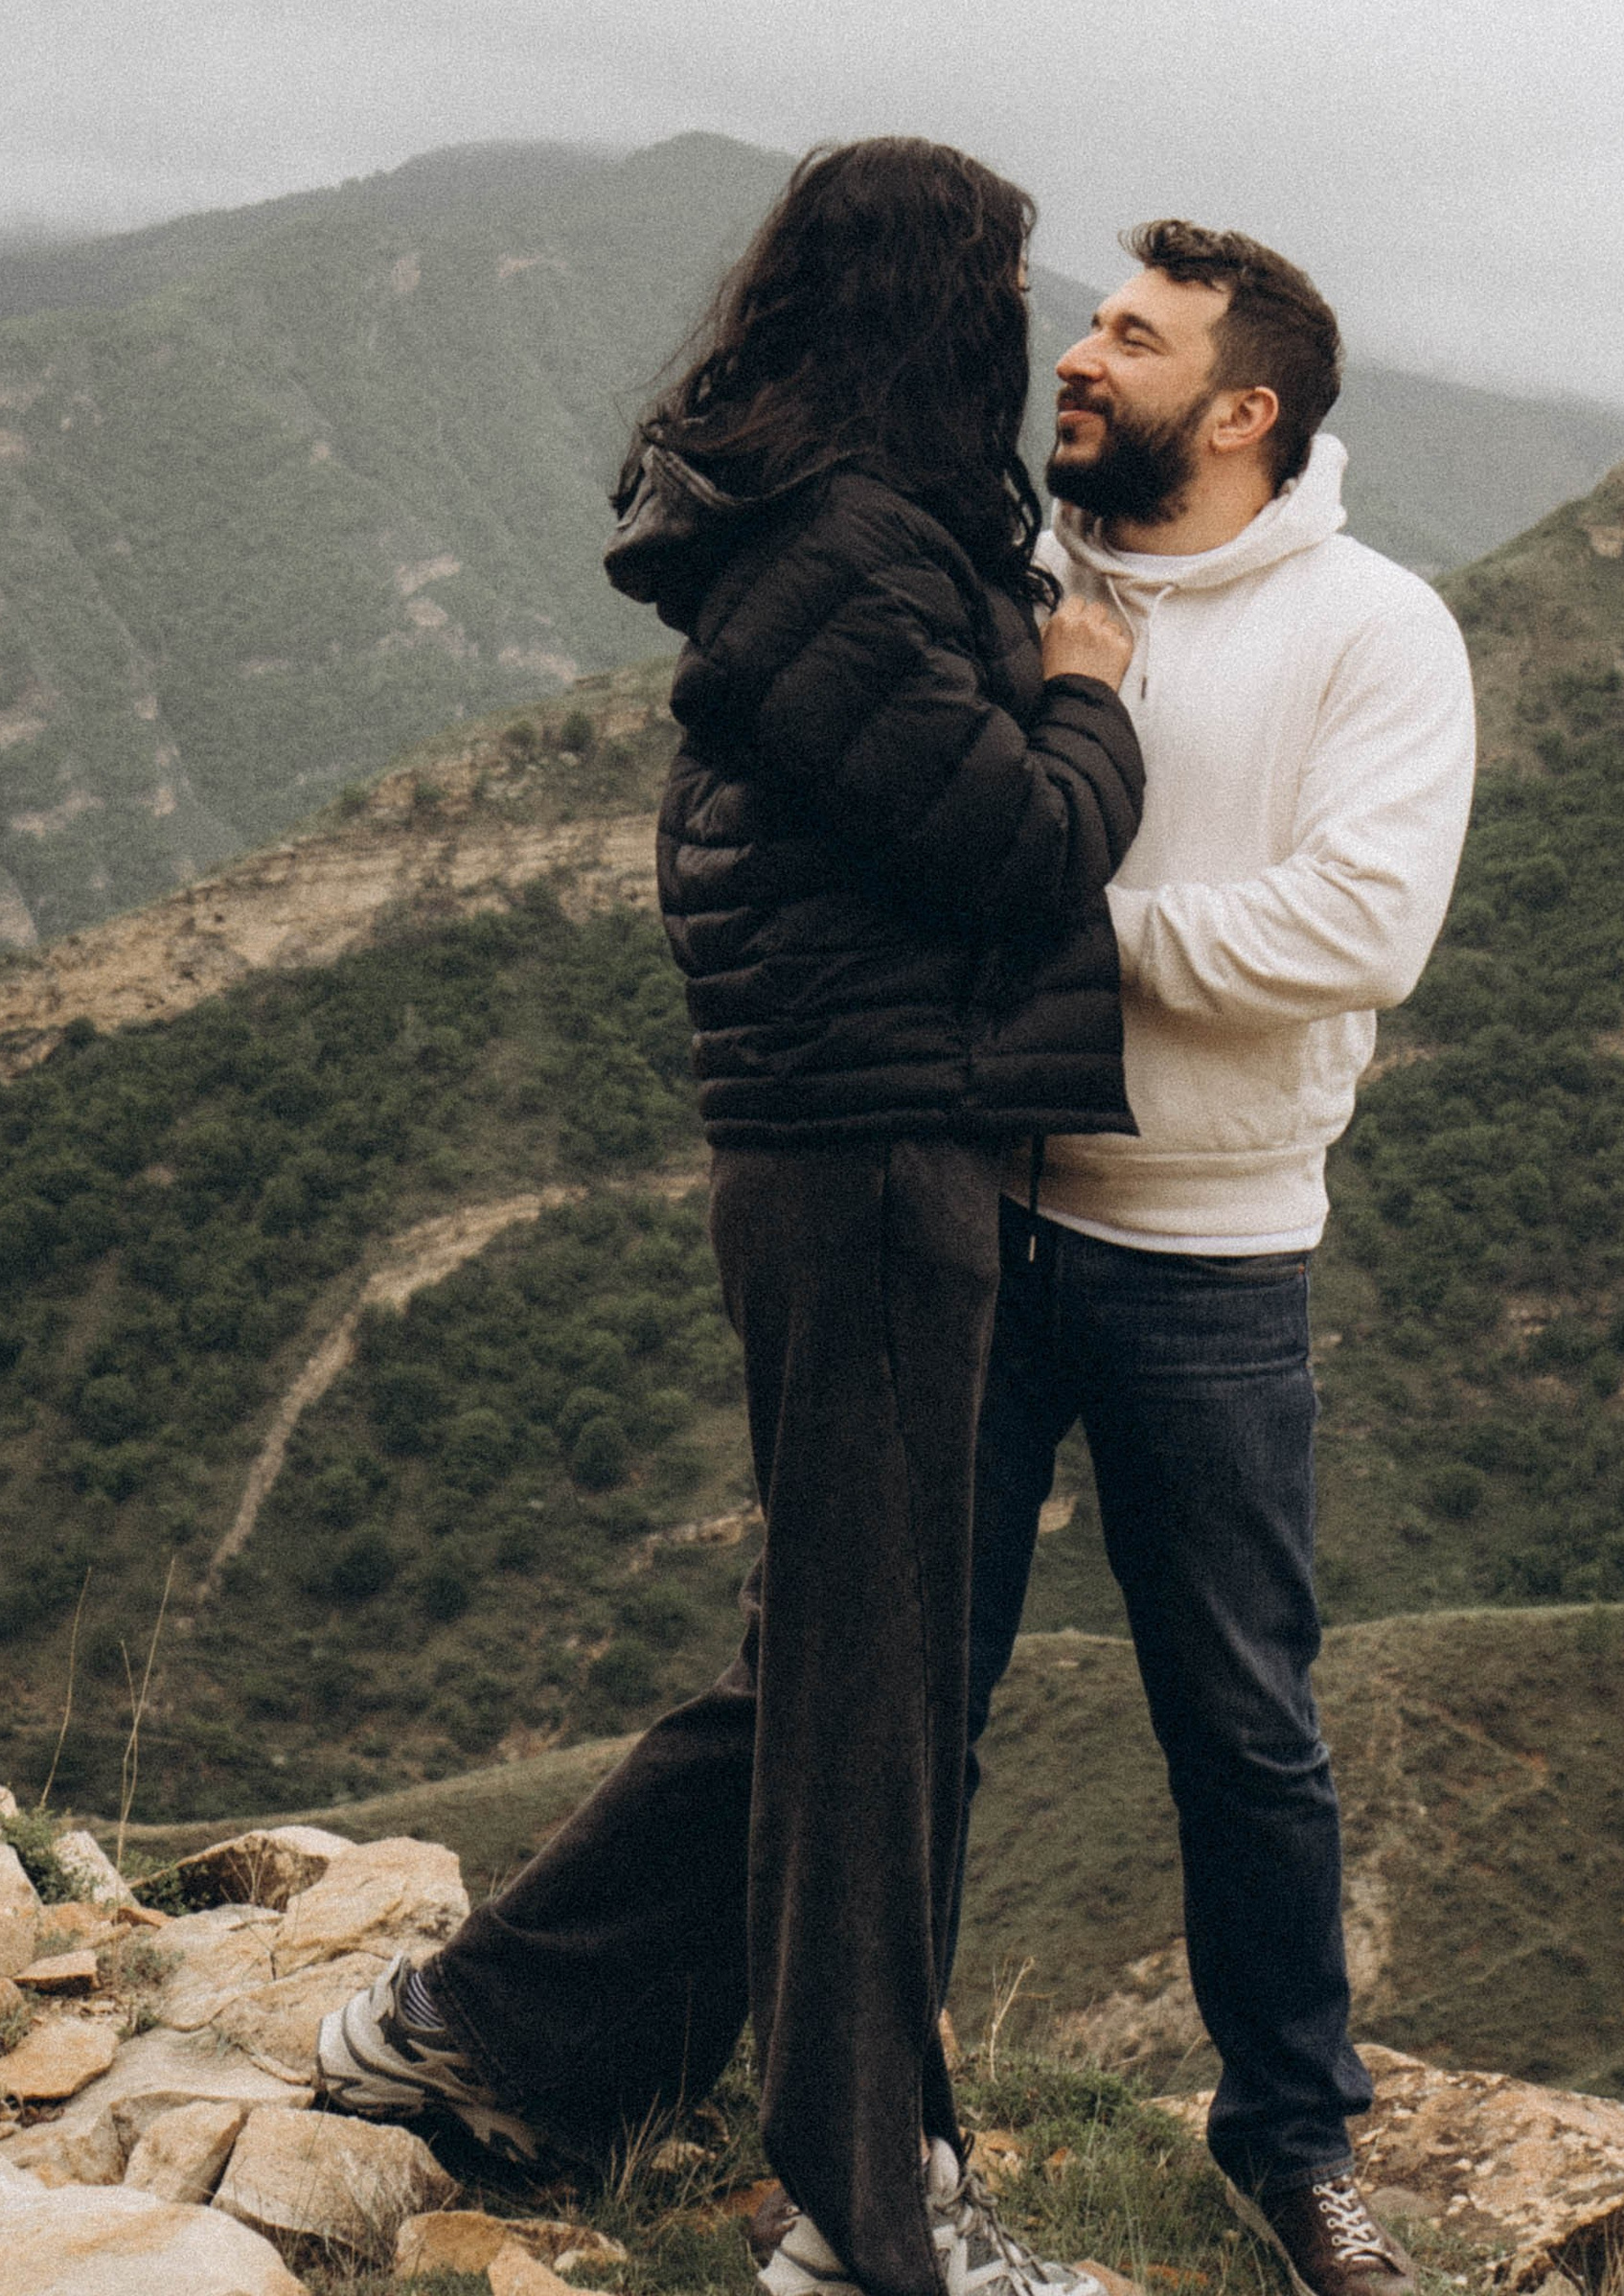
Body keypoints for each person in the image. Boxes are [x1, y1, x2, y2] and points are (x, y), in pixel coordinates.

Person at [316, 140, 1145, 2296]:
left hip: (873, 1145)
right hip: (867, 1160)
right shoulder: (844, 565)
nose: (1031, 326)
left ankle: (479, 2029)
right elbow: (1021, 853)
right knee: (873, 1711)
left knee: (823, 1675)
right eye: (1008, 287)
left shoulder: (832, 538)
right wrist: (1088, 687)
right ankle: (873, 2225)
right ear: (930, 306)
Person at [957, 223, 1476, 2296]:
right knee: (915, 1697)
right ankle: (857, 2107)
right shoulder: (1024, 593)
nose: (1074, 358)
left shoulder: (1373, 631)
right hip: (977, 1222)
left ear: (1240, 408)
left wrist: (1065, 938)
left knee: (1244, 1729)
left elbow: (1359, 931)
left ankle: (1293, 2142)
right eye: (1089, 324)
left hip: (1210, 1258)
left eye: (1126, 338)